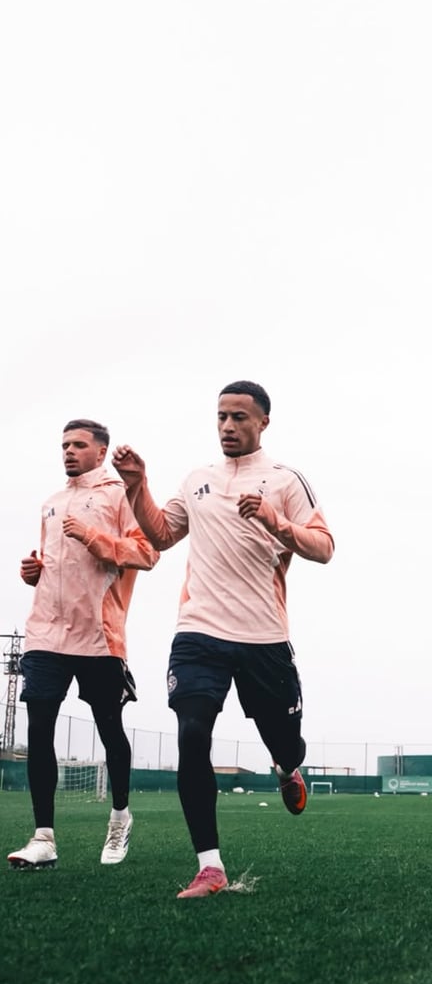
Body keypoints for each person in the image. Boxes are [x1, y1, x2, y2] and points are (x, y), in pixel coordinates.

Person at [112, 381, 334, 899]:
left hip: (263, 637)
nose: (228, 427)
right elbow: (162, 535)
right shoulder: (198, 480)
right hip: (199, 631)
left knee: (286, 741)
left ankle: (287, 767)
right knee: (192, 734)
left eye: (239, 417)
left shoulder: (286, 479)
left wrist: (276, 521)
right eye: (221, 417)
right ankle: (209, 866)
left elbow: (323, 547)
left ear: (263, 423)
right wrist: (137, 487)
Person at [8, 419, 160, 870]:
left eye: (78, 445)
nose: (69, 452)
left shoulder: (120, 496)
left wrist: (93, 537)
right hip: (46, 633)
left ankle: (119, 817)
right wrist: (33, 573)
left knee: (109, 728)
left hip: (99, 635)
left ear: (101, 452)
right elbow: (55, 564)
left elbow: (147, 552)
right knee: (39, 728)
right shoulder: (52, 503)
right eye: (64, 445)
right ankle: (43, 838)